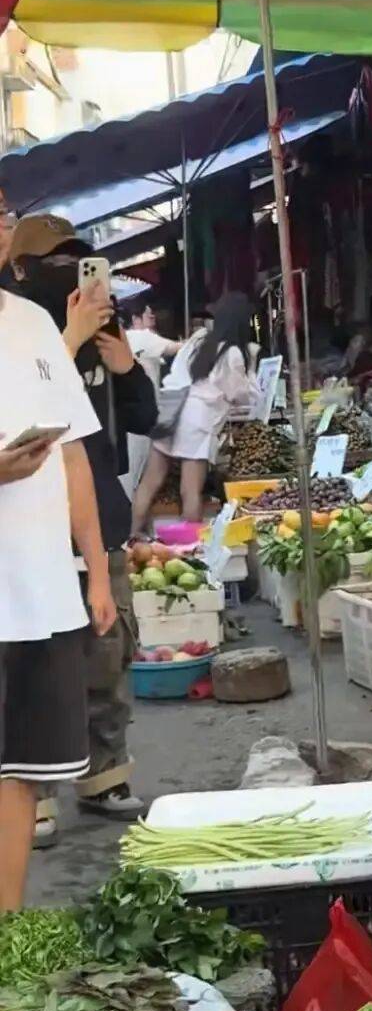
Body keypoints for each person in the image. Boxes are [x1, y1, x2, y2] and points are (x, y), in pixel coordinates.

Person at [8, 215, 158, 834]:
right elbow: (26, 408)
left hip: (96, 508)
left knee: (105, 656)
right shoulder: (20, 330)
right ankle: (31, 799)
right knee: (32, 670)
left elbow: (145, 416)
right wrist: (64, 341)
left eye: (80, 259)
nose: (70, 271)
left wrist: (124, 367)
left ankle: (104, 775)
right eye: (54, 262)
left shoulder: (100, 331)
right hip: (25, 527)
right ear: (21, 270)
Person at [0, 283, 115, 908]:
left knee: (19, 773)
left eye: (3, 212)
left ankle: (7, 925)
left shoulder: (37, 322)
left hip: (39, 591)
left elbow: (73, 456)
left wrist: (95, 568)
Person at [131, 294, 257, 531]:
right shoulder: (233, 354)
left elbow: (177, 371)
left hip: (170, 409)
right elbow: (241, 394)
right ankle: (191, 551)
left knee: (149, 483)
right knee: (190, 490)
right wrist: (253, 366)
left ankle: (128, 540)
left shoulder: (198, 339)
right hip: (197, 421)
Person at [120, 299, 181, 494]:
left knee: (132, 474)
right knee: (137, 472)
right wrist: (204, 340)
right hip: (141, 419)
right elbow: (176, 347)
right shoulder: (142, 337)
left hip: (129, 416)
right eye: (149, 317)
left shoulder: (126, 340)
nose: (153, 322)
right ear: (135, 318)